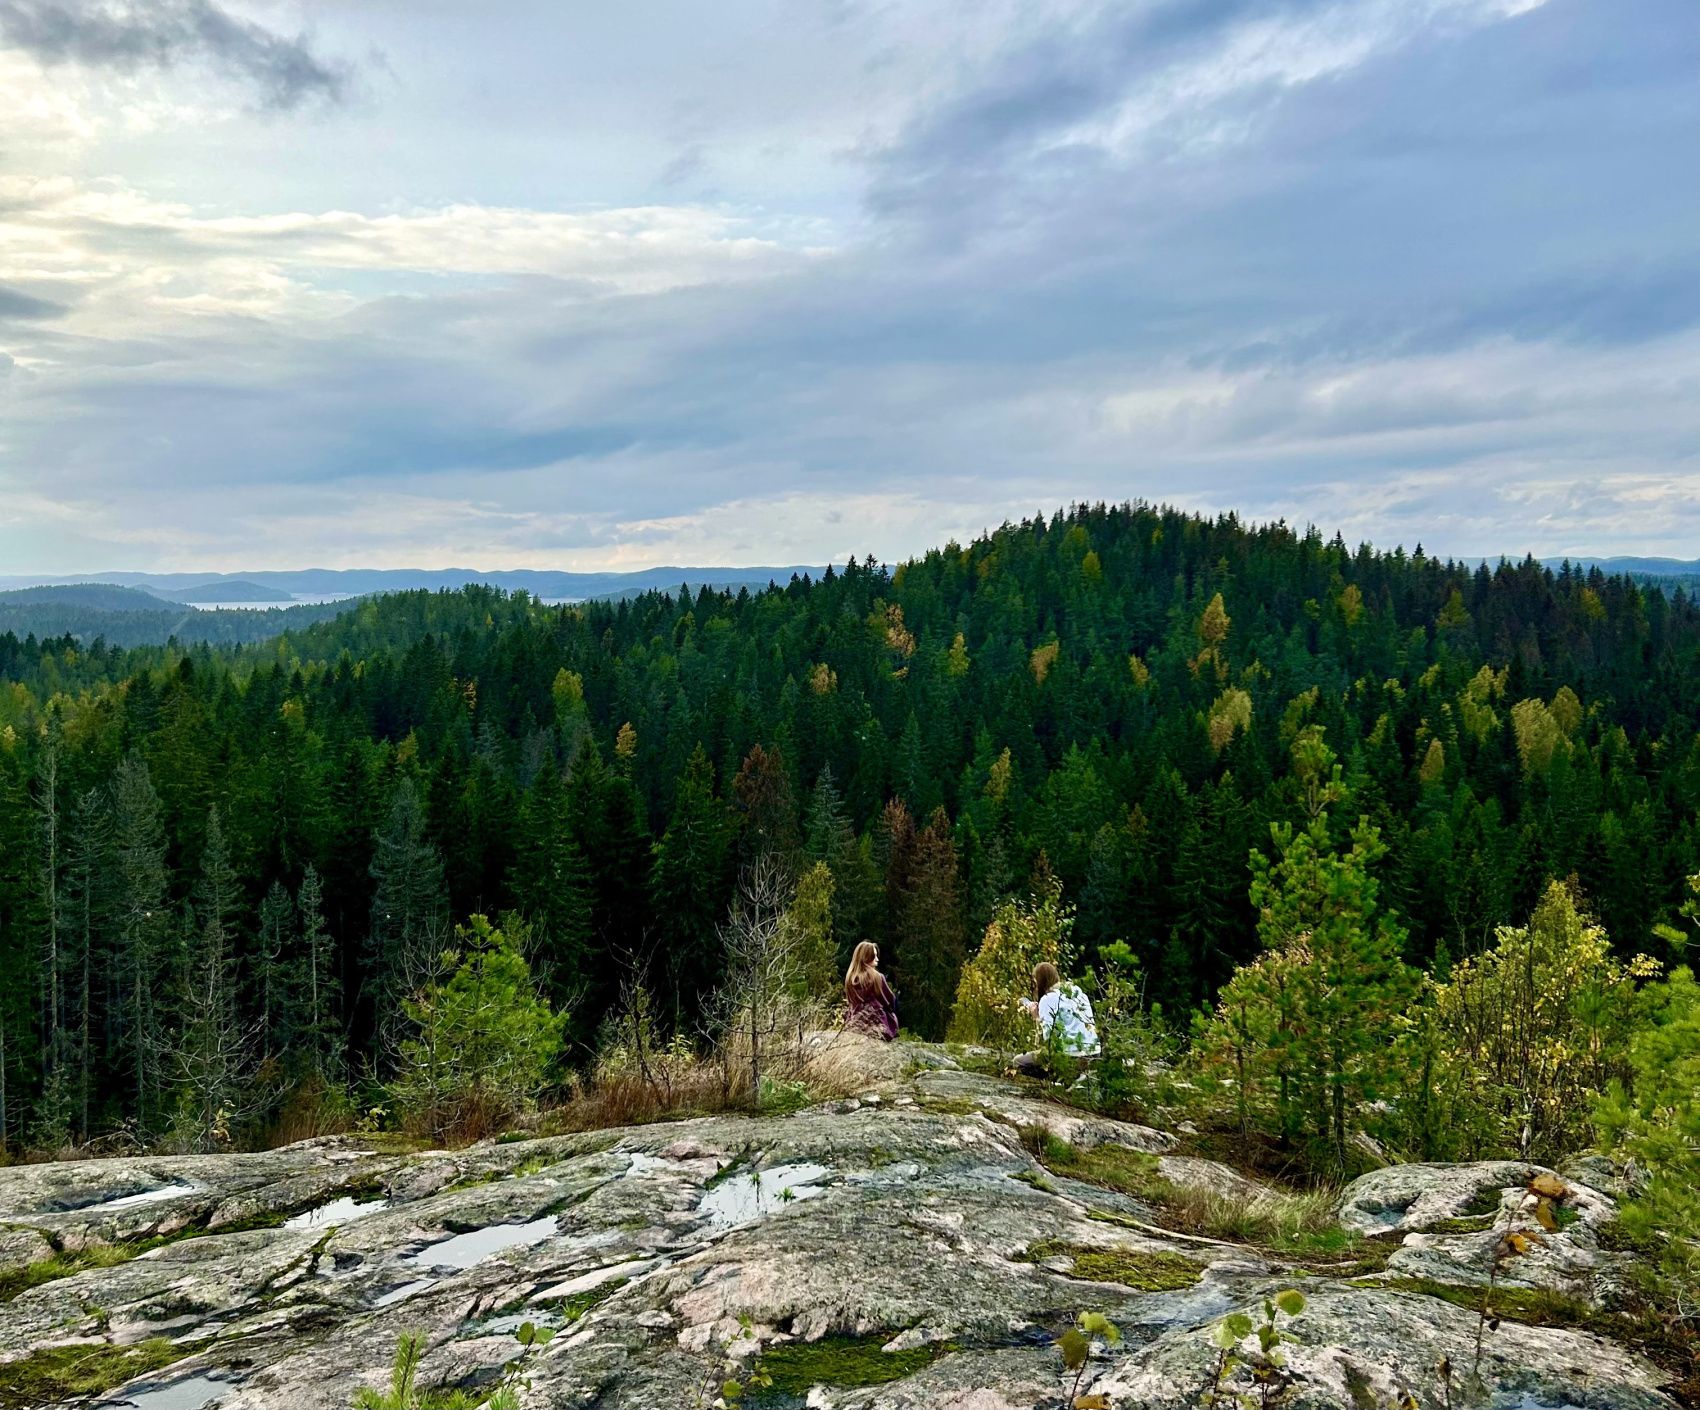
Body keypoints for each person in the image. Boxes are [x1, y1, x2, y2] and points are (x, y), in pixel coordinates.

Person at [1012, 961, 1099, 1076]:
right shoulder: (1079, 993)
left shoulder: (1047, 999)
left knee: (1018, 1061)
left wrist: (1037, 1017)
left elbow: (1048, 1041)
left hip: (1070, 1056)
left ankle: (1062, 1079)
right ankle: (1079, 1076)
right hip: (1094, 1053)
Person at [843, 941, 898, 1041]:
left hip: (855, 1024)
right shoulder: (877, 977)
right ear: (866, 957)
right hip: (878, 1026)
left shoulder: (850, 978)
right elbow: (890, 1000)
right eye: (874, 956)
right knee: (892, 1016)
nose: (877, 959)